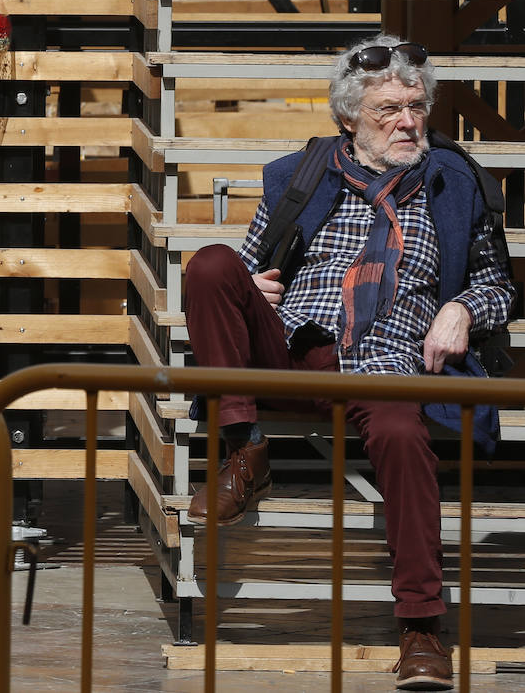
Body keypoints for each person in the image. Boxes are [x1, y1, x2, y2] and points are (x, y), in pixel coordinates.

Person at [182, 35, 515, 692]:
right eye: (388, 108)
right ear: (348, 117)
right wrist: (257, 284)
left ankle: (421, 628)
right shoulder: (298, 177)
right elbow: (249, 268)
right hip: (295, 350)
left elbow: (499, 281)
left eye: (416, 105)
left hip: (389, 360)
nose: (407, 121)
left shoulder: (456, 182)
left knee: (400, 433)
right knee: (211, 265)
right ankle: (245, 448)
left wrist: (464, 310)